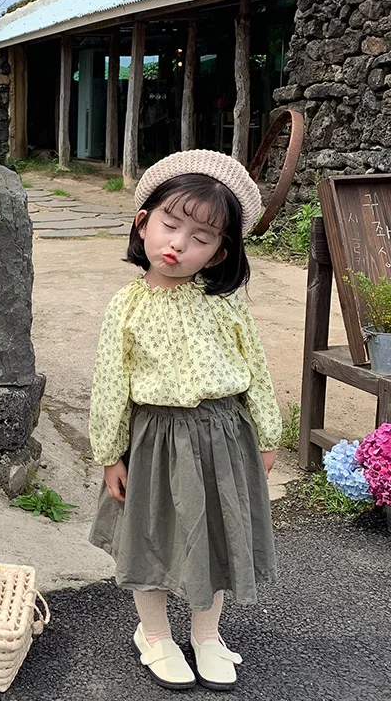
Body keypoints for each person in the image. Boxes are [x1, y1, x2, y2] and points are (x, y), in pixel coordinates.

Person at [88, 150, 280, 692]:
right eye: (170, 225)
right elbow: (110, 386)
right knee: (148, 537)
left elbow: (256, 367)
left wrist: (268, 433)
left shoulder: (226, 303)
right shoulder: (125, 307)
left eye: (201, 238)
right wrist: (109, 454)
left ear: (221, 253)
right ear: (143, 222)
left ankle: (207, 634)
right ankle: (153, 634)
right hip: (155, 440)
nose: (178, 244)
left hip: (223, 434)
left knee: (216, 534)